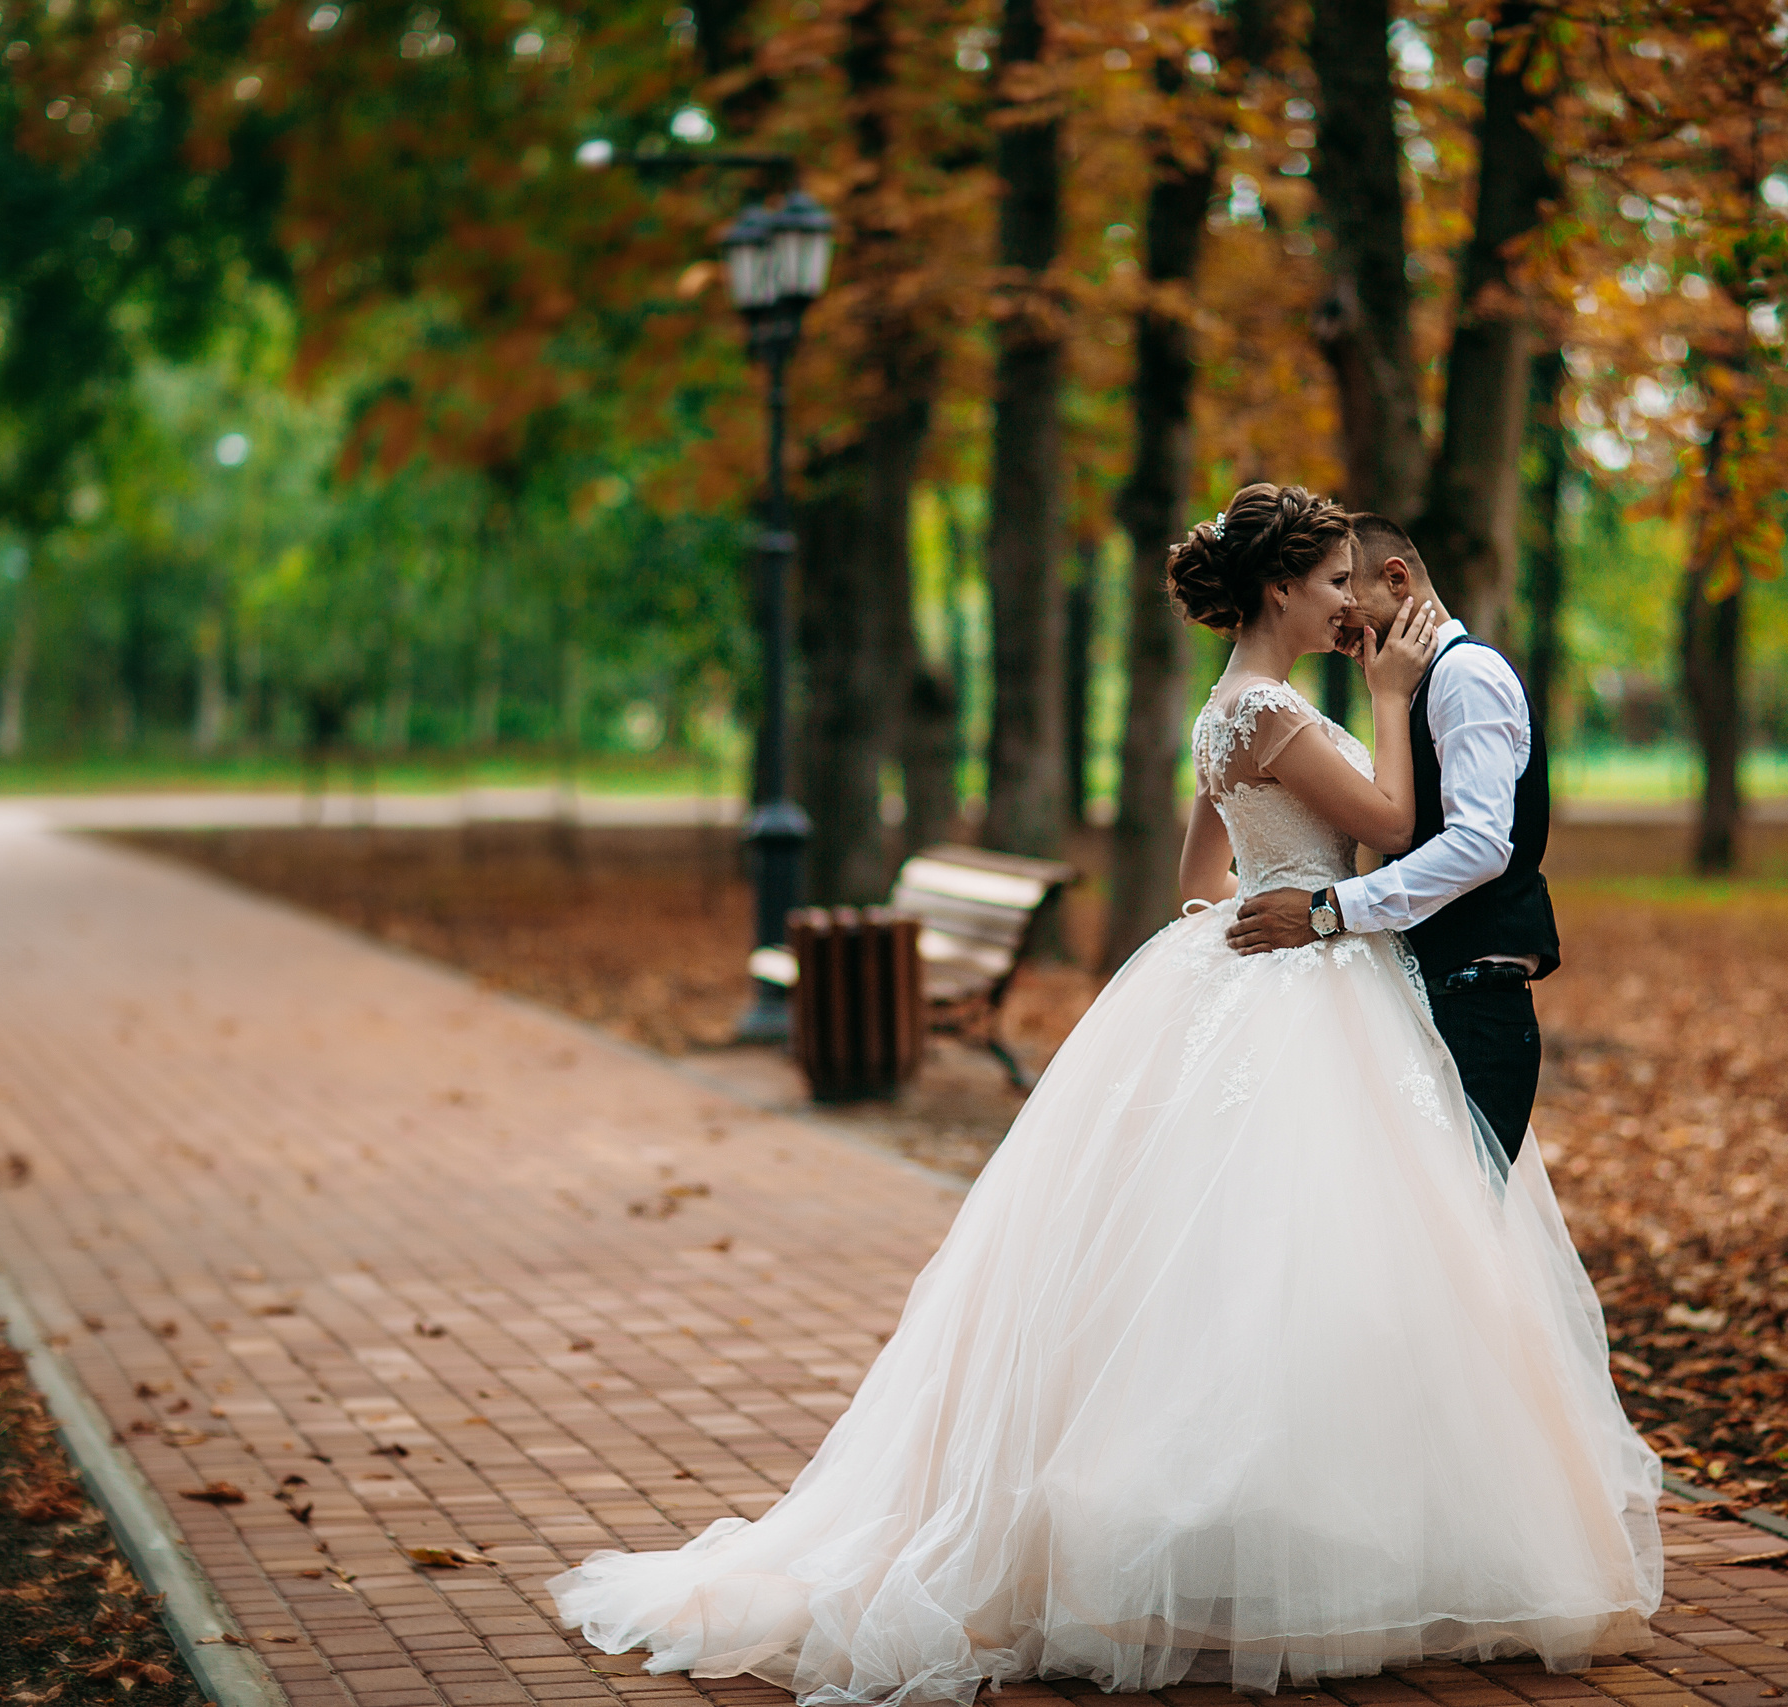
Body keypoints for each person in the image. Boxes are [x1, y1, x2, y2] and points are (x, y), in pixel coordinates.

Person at [548, 484, 1662, 1706]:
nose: (1349, 603)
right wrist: (1387, 714)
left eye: (1356, 581)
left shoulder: (1226, 714)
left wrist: (1232, 926)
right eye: (1334, 582)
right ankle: (1276, 1547)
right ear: (1281, 589)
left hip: (1270, 964)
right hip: (1309, 975)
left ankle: (1250, 1541)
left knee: (1243, 1269)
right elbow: (1395, 824)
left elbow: (1199, 874)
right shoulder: (1285, 712)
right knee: (1309, 1264)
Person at [1227, 513, 1557, 1153]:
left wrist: (1327, 911)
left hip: (1474, 1004)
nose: (1343, 620)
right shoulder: (1410, 686)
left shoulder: (1466, 677)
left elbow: (1480, 846)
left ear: (1397, 580)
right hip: (1426, 999)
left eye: (1352, 597)